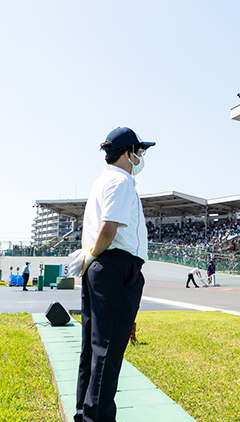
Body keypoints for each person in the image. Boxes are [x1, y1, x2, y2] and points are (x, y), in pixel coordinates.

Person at [67, 126, 155, 422]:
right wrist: (94, 255)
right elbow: (108, 228)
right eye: (140, 152)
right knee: (108, 351)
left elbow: (89, 230)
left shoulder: (99, 183)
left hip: (99, 267)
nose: (141, 158)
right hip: (116, 265)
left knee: (92, 349)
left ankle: (84, 413)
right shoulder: (122, 181)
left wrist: (89, 259)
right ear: (128, 153)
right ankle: (98, 418)